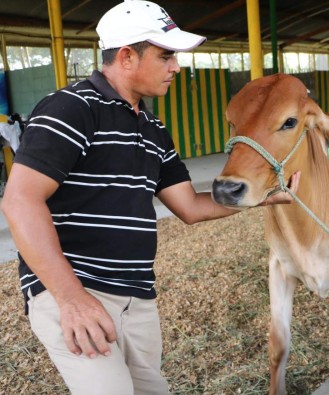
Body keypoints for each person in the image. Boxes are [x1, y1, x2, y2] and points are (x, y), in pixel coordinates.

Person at [0, 1, 300, 394]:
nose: (176, 67)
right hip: (77, 290)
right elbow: (20, 200)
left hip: (137, 299)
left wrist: (260, 198)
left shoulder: (153, 128)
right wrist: (71, 299)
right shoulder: (71, 109)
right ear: (126, 56)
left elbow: (190, 208)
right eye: (165, 55)